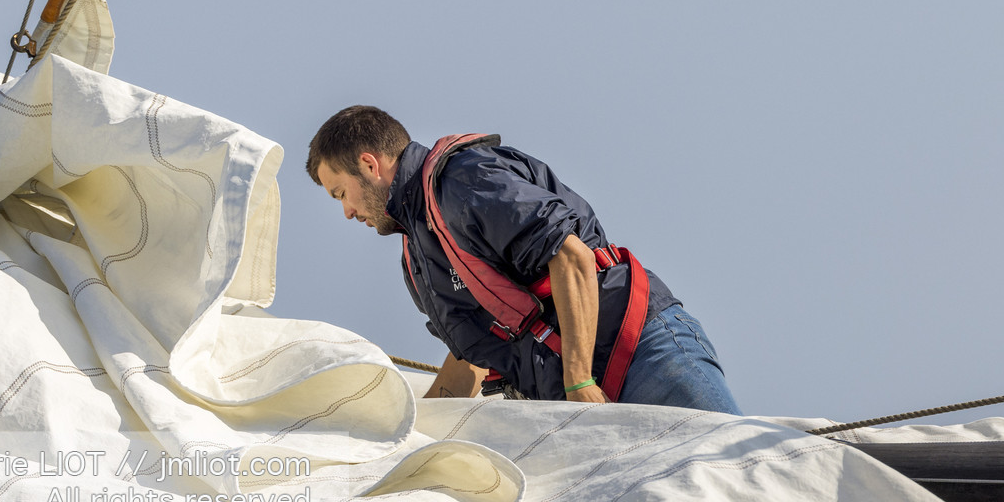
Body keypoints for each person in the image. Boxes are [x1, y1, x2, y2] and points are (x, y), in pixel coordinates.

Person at [306, 106, 741, 411]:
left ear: (369, 164)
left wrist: (579, 382)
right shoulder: (419, 261)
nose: (346, 211)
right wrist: (411, 441)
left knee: (732, 483)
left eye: (341, 193)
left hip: (640, 353)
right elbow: (472, 359)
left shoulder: (463, 181)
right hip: (577, 401)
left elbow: (571, 257)